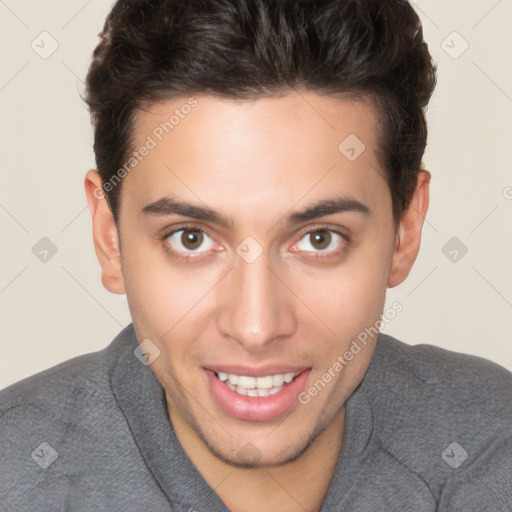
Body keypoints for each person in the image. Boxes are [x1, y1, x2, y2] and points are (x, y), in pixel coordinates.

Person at [1, 0, 511, 510]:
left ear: (405, 231)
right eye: (191, 238)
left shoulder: (495, 447)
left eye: (319, 239)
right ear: (110, 239)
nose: (255, 327)